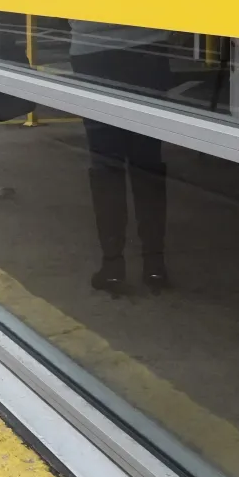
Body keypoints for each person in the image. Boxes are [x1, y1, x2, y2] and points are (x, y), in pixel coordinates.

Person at [69, 20, 172, 295]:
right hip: (149, 48)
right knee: (147, 160)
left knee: (105, 163)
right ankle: (154, 264)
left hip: (92, 53)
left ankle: (113, 265)